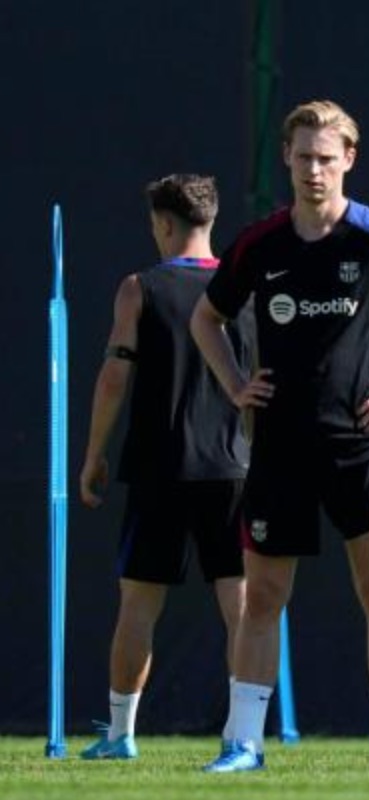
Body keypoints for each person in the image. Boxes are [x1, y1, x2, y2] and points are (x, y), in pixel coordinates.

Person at [191, 99, 369, 773]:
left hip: (362, 447)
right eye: (303, 157)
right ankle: (243, 745)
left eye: (326, 157)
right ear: (285, 160)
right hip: (280, 448)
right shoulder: (261, 244)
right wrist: (235, 385)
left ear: (348, 160)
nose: (314, 169)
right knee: (261, 598)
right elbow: (207, 317)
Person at [78, 174, 253, 760]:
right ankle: (241, 736)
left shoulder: (139, 288)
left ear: (165, 224)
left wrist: (93, 455)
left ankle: (121, 735)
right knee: (242, 608)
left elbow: (112, 378)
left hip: (159, 470)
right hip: (234, 469)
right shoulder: (244, 290)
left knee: (138, 607)